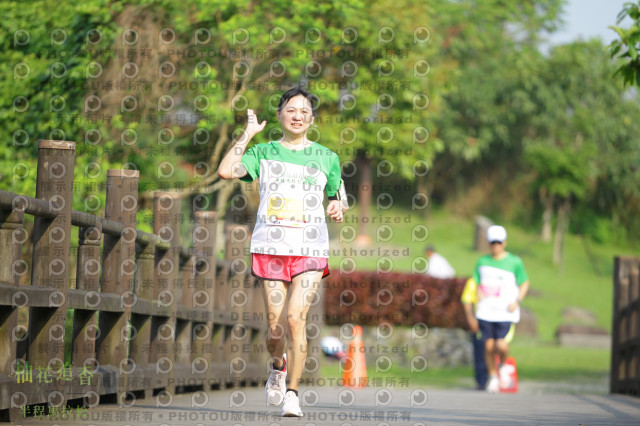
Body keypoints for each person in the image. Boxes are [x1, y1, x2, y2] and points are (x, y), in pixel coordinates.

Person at [218, 87, 347, 417]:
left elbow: (339, 197)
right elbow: (226, 171)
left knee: (295, 318)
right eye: (291, 110)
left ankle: (293, 393)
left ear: (312, 119)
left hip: (309, 249)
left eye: (304, 111)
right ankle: (278, 366)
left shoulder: (327, 158)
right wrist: (248, 134)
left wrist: (338, 206)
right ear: (279, 115)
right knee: (275, 328)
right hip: (271, 248)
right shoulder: (263, 153)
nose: (297, 116)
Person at [473, 225, 529, 393]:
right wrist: (478, 292)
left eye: (498, 242)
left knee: (501, 345)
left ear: (504, 243)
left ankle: (503, 365)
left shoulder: (515, 262)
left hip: (505, 312)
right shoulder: (482, 262)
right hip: (486, 311)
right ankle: (493, 377)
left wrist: (517, 301)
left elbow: (524, 282)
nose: (495, 245)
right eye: (492, 242)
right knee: (488, 346)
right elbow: (477, 282)